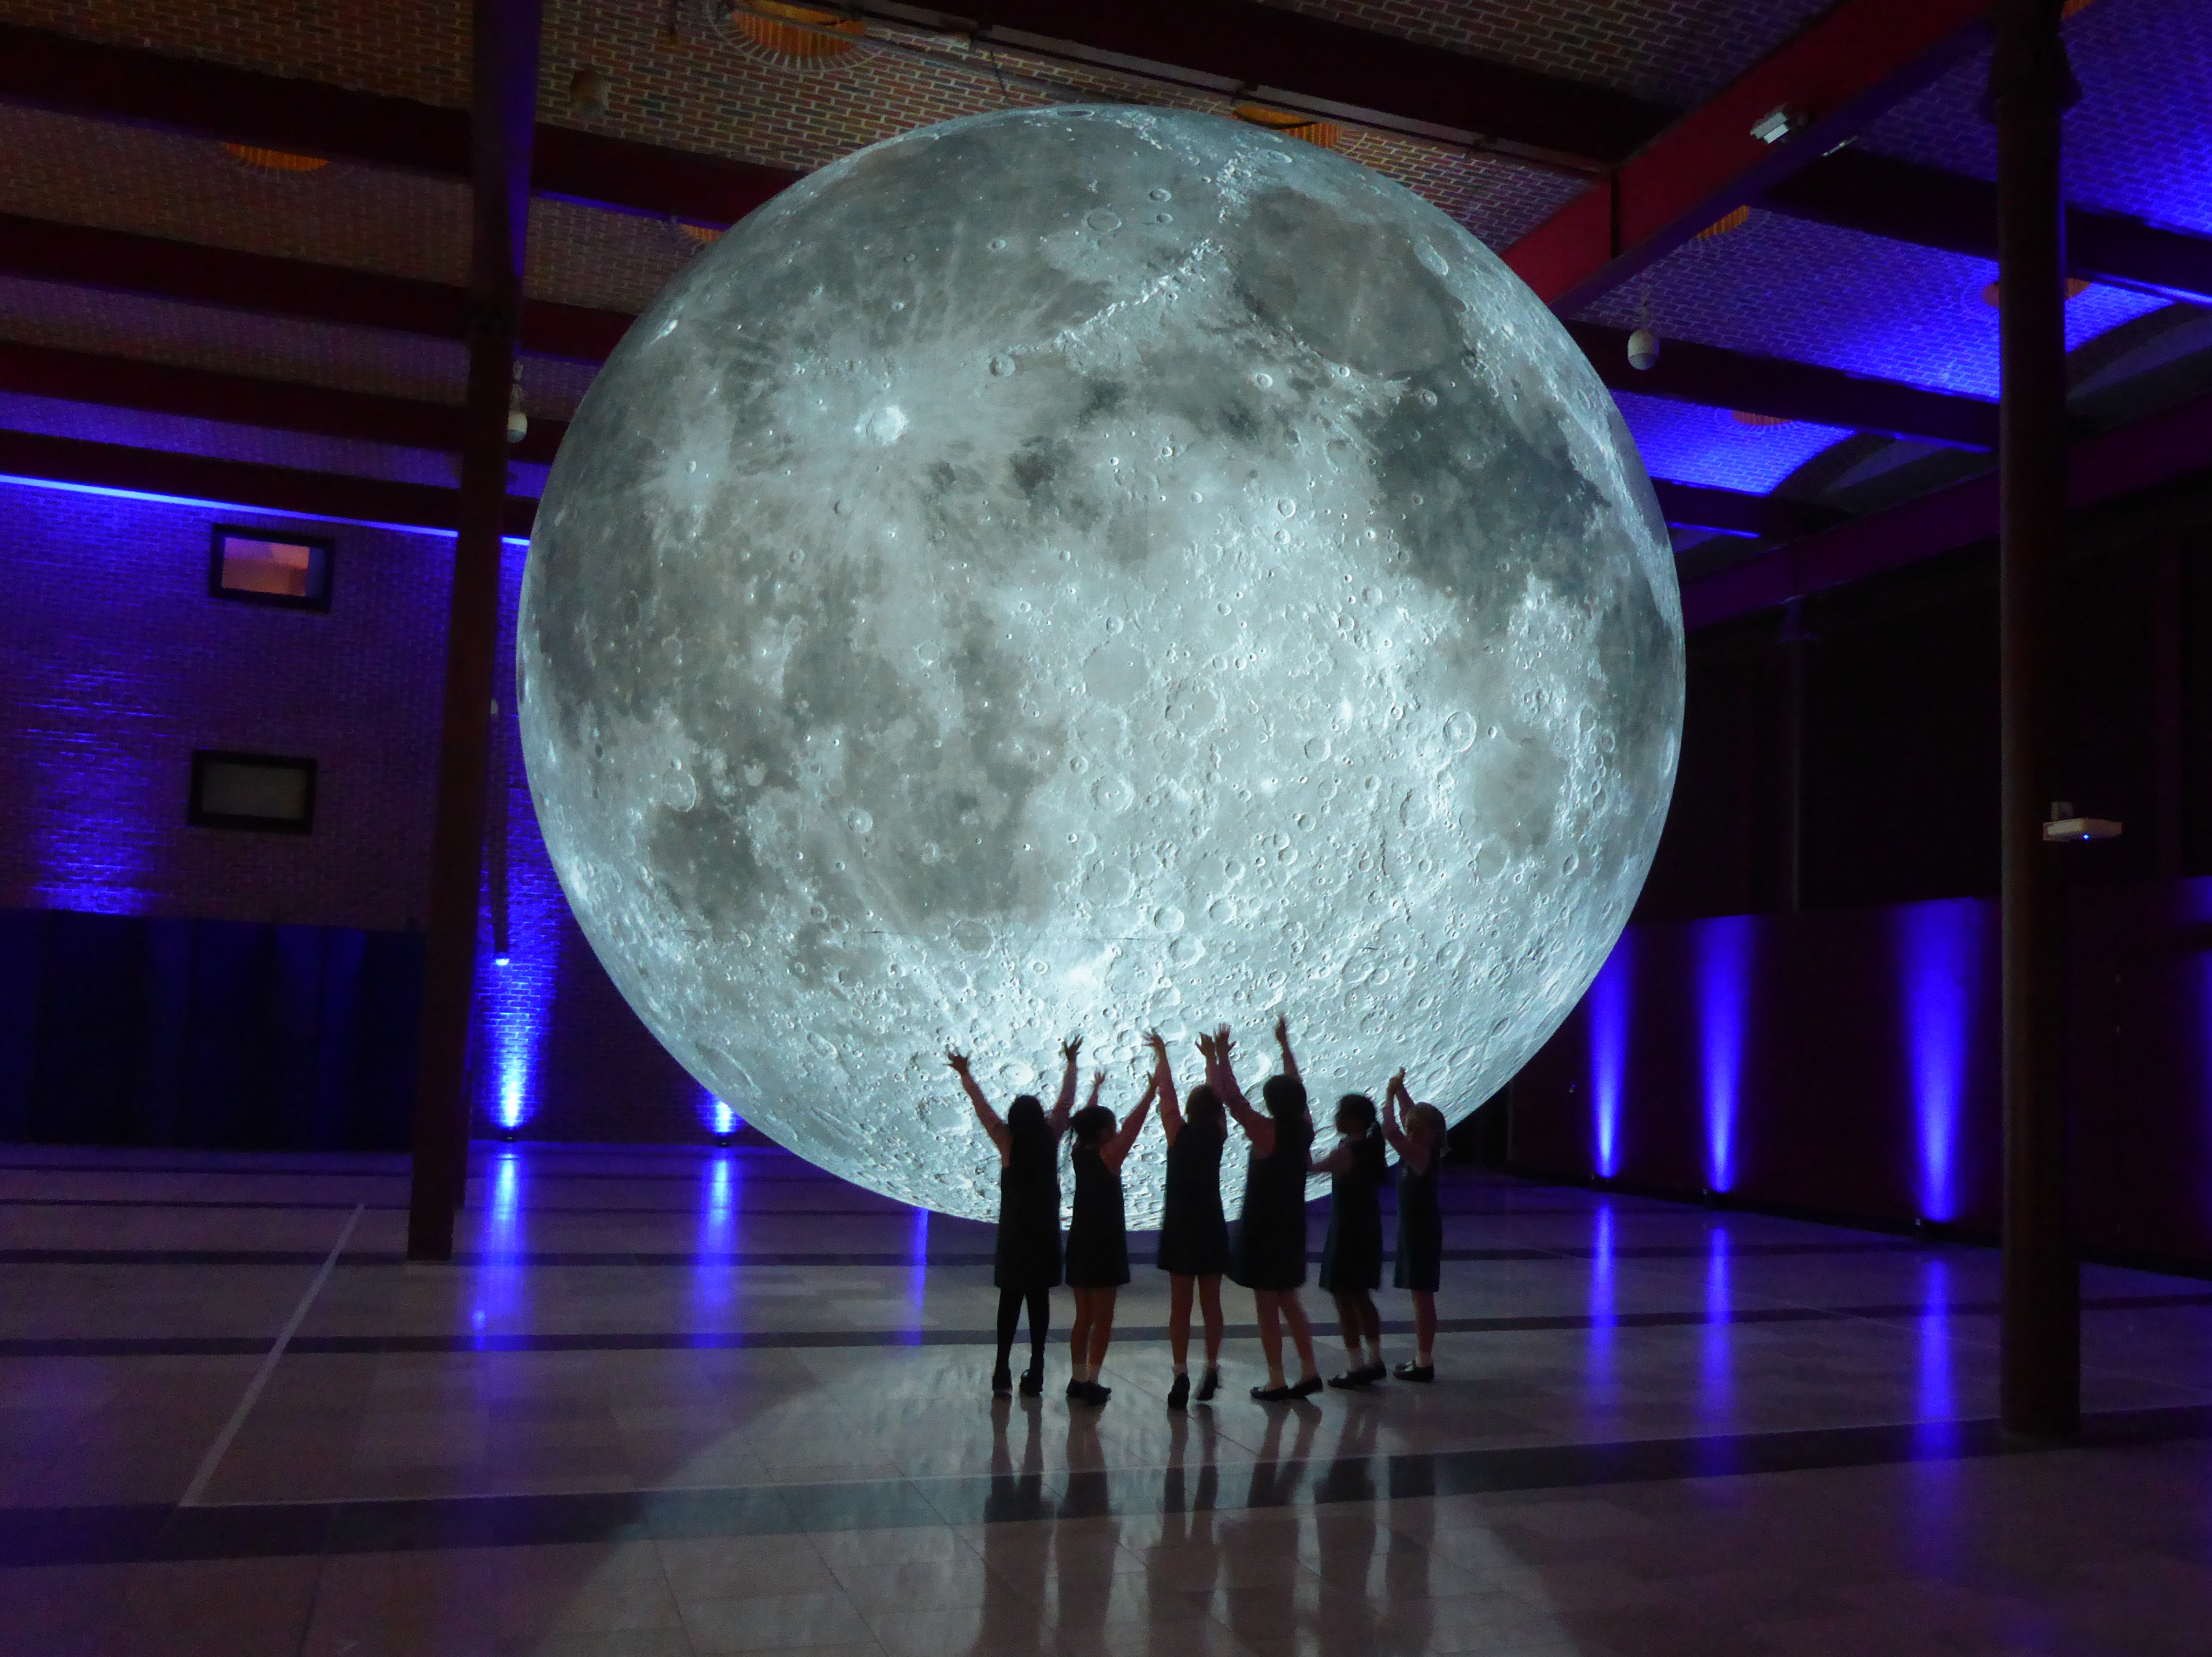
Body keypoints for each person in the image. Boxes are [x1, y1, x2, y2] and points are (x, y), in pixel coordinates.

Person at [948, 1035, 1082, 1396]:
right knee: (1040, 1304)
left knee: (1009, 1303)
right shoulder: (1051, 1136)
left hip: (1014, 1236)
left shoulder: (1008, 1141)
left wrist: (965, 1073)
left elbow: (982, 1108)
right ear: (1039, 1117)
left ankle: (1001, 1369)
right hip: (1044, 1236)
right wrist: (1071, 1062)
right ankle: (1037, 1369)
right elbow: (1066, 1102)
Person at [1202, 1014, 1322, 1402]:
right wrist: (1285, 1045)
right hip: (1292, 1224)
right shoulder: (1305, 1127)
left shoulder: (1265, 1131)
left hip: (1263, 1226)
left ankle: (1276, 1378)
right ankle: (1310, 1370)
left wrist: (1221, 1056)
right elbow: (1297, 1085)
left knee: (1267, 1306)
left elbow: (1232, 1098)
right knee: (1290, 1300)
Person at [1148, 1028, 1229, 1409]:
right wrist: (1213, 1058)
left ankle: (1180, 1370)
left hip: (1180, 1225)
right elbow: (1220, 1097)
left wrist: (1162, 1054)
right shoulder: (1218, 1134)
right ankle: (1212, 1364)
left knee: (1180, 1304)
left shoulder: (1177, 1133)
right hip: (1211, 1222)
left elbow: (1167, 1096)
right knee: (1211, 1301)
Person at [1063, 1064, 1154, 1405]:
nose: (1117, 1132)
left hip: (1081, 1240)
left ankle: (1076, 1377)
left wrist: (1096, 1090)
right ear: (1103, 1133)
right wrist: (1151, 1092)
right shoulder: (1108, 1156)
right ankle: (1092, 1380)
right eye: (1110, 1128)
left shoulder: (1079, 1152)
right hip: (1105, 1243)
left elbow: (1087, 1121)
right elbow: (1134, 1126)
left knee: (1083, 1316)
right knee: (1104, 1318)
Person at [1313, 1090, 1388, 1388]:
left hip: (1346, 1229)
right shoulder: (1371, 1149)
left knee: (1343, 1297)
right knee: (1361, 1296)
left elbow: (1313, 1168)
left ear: (1352, 1120)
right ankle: (1375, 1358)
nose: (1335, 1118)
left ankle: (1356, 1364)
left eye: (1340, 1113)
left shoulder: (1344, 1152)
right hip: (1368, 1227)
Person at [1383, 1069, 1447, 1381]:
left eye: (1415, 1129)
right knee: (1419, 1295)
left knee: (1422, 1296)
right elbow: (1409, 1116)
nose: (1409, 1131)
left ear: (1429, 1134)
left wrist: (1387, 1097)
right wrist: (1400, 1090)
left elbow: (1391, 1130)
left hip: (1421, 1231)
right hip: (1413, 1229)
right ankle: (1421, 1358)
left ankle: (1424, 1361)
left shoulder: (1420, 1154)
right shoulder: (1420, 1145)